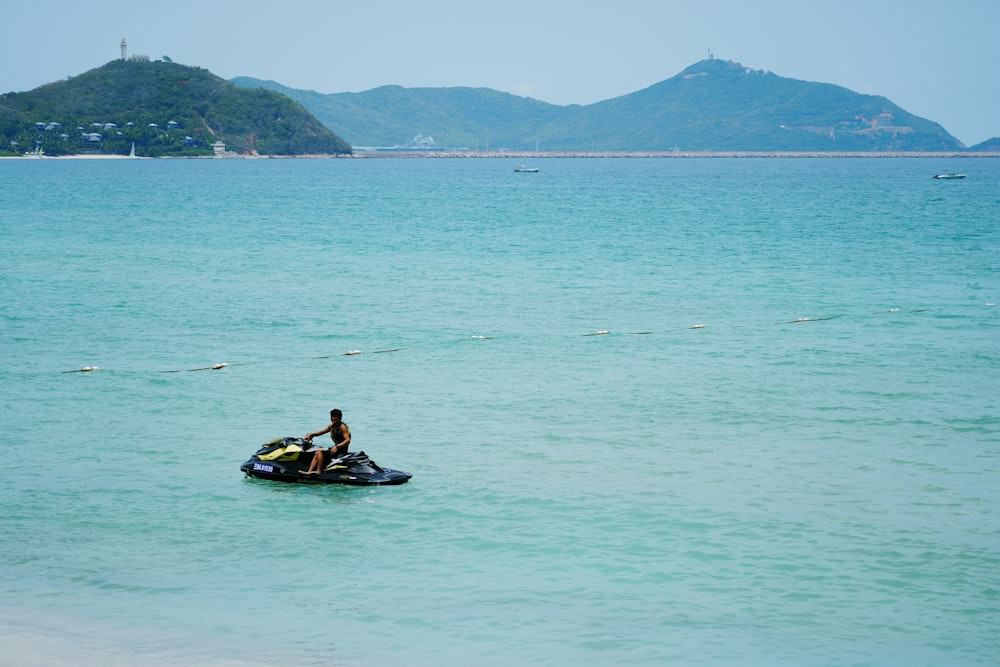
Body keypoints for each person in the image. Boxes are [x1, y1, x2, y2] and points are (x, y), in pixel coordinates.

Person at [302, 409, 351, 475]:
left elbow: (347, 440)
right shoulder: (332, 426)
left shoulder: (342, 427)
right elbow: (321, 432)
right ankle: (309, 472)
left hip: (341, 450)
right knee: (317, 452)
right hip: (335, 449)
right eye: (332, 416)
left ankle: (318, 471)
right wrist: (311, 434)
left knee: (319, 451)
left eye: (335, 416)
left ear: (340, 417)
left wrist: (337, 447)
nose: (333, 418)